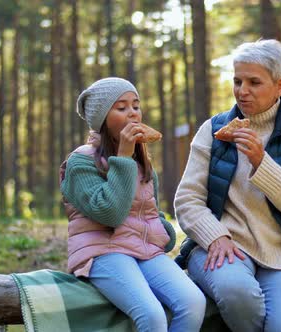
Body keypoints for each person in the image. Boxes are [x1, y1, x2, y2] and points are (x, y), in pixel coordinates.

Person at [174, 40, 281, 332]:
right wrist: (215, 236)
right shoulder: (213, 129)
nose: (242, 91)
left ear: (279, 86)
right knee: (237, 293)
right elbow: (187, 200)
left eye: (254, 82)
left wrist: (261, 161)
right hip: (220, 247)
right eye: (238, 81)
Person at [59, 77, 206, 332]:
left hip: (144, 251)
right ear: (103, 118)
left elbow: (150, 212)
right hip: (102, 251)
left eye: (135, 106)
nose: (133, 114)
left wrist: (163, 231)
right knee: (152, 316)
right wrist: (124, 156)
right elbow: (111, 213)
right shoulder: (80, 162)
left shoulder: (142, 163)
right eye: (121, 107)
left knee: (193, 302)